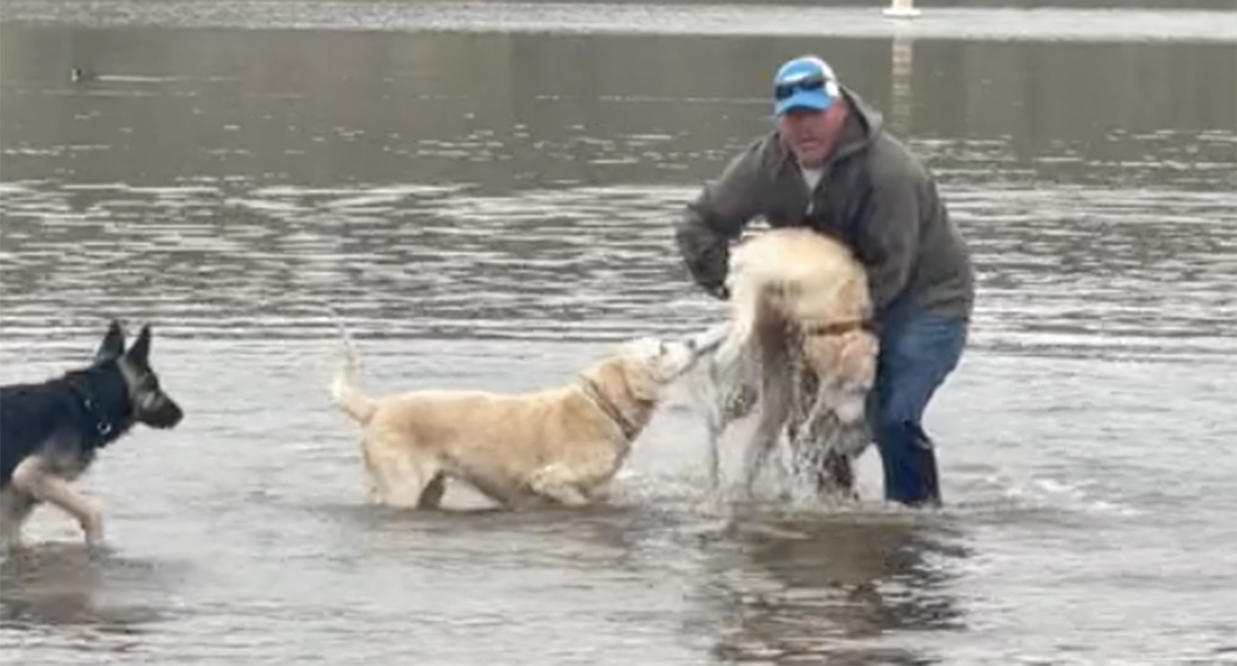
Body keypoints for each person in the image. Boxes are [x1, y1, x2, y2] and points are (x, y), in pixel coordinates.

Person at [675, 55, 974, 507]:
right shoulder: (767, 164)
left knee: (892, 416)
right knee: (806, 417)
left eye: (814, 113)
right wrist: (738, 293)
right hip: (821, 301)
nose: (803, 129)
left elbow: (890, 273)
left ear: (840, 109)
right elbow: (699, 224)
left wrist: (819, 325)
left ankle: (917, 521)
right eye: (792, 118)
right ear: (780, 122)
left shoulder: (889, 173)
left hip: (924, 300)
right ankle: (831, 515)